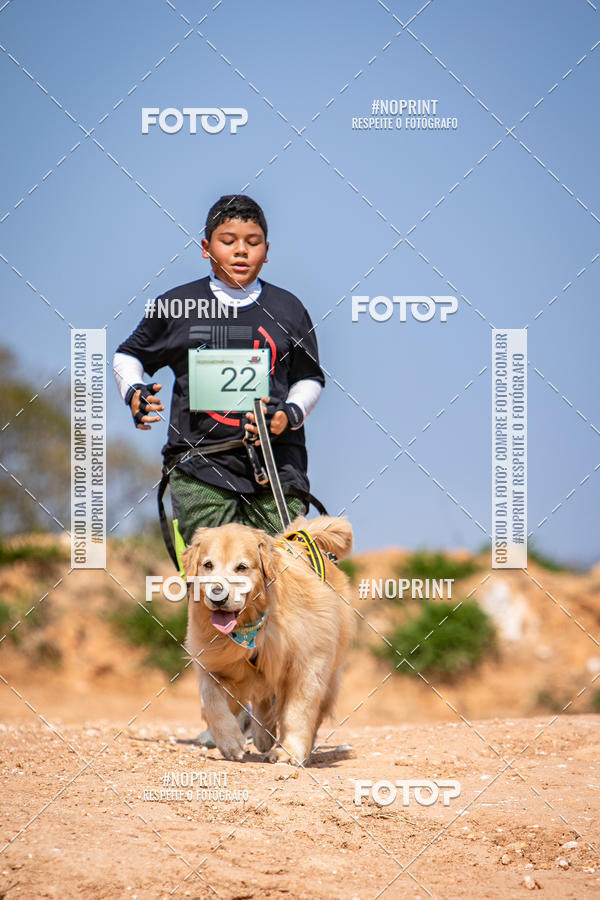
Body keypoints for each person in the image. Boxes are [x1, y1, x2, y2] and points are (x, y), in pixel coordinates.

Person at [113, 194, 325, 552]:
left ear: (267, 250)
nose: (241, 251)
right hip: (200, 467)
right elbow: (127, 356)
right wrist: (134, 391)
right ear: (205, 247)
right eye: (228, 241)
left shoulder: (289, 309)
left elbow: (309, 378)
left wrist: (288, 415)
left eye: (252, 243)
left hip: (278, 468)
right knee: (219, 577)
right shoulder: (175, 306)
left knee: (279, 577)